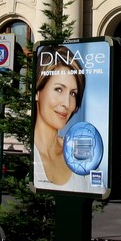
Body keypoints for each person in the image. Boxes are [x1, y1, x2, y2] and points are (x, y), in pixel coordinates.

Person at [33, 45, 86, 186]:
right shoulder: (26, 153)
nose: (67, 103)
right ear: (37, 92)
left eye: (73, 93)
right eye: (58, 89)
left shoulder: (79, 155)